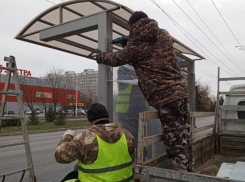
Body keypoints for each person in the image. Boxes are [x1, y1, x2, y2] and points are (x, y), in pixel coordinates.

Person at [96, 11, 192, 172]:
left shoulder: (137, 45)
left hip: (166, 98)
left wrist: (101, 57)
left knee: (176, 147)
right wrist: (130, 42)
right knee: (185, 139)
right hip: (181, 94)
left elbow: (116, 59)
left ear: (133, 26)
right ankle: (191, 173)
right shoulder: (164, 34)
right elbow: (150, 50)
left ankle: (183, 177)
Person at [55, 103, 135, 182]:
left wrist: (67, 135)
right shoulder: (127, 135)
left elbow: (60, 156)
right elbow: (131, 158)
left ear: (90, 121)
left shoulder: (84, 139)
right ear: (107, 117)